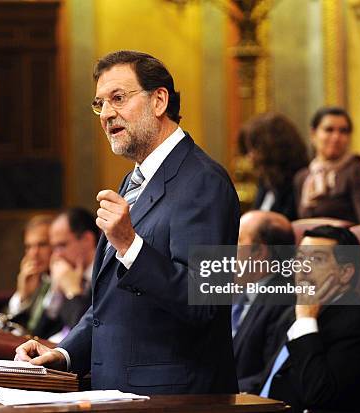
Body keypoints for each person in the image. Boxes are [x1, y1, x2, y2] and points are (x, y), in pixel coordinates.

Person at [15, 50, 240, 394]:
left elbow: (205, 302)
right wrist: (62, 353)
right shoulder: (132, 182)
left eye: (118, 98)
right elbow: (107, 306)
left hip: (175, 400)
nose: (106, 114)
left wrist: (130, 245)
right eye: (99, 104)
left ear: (159, 100)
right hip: (120, 393)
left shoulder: (204, 181)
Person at [258, 225, 360, 413]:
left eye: (316, 259)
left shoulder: (358, 325)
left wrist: (306, 323)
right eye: (300, 259)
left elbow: (319, 396)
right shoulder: (296, 310)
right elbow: (272, 376)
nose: (303, 268)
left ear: (345, 273)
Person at [233, 211, 296, 392]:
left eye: (236, 240)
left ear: (259, 252)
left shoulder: (285, 300)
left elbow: (270, 376)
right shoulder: (237, 291)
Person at [294, 107, 360, 223]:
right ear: (313, 134)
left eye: (343, 131)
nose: (336, 137)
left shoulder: (355, 172)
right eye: (329, 130)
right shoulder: (302, 177)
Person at [33, 207, 99, 341]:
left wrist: (72, 291)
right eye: (54, 247)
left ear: (87, 239)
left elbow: (87, 337)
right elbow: (38, 335)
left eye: (62, 245)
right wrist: (56, 293)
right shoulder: (66, 274)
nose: (56, 255)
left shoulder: (106, 275)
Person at [238, 113, 308, 220]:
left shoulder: (299, 181)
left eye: (254, 149)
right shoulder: (266, 182)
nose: (250, 157)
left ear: (272, 149)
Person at [3, 215, 53, 334]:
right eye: (29, 246)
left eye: (42, 244)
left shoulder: (69, 280)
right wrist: (23, 295)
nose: (34, 253)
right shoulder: (35, 279)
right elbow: (8, 328)